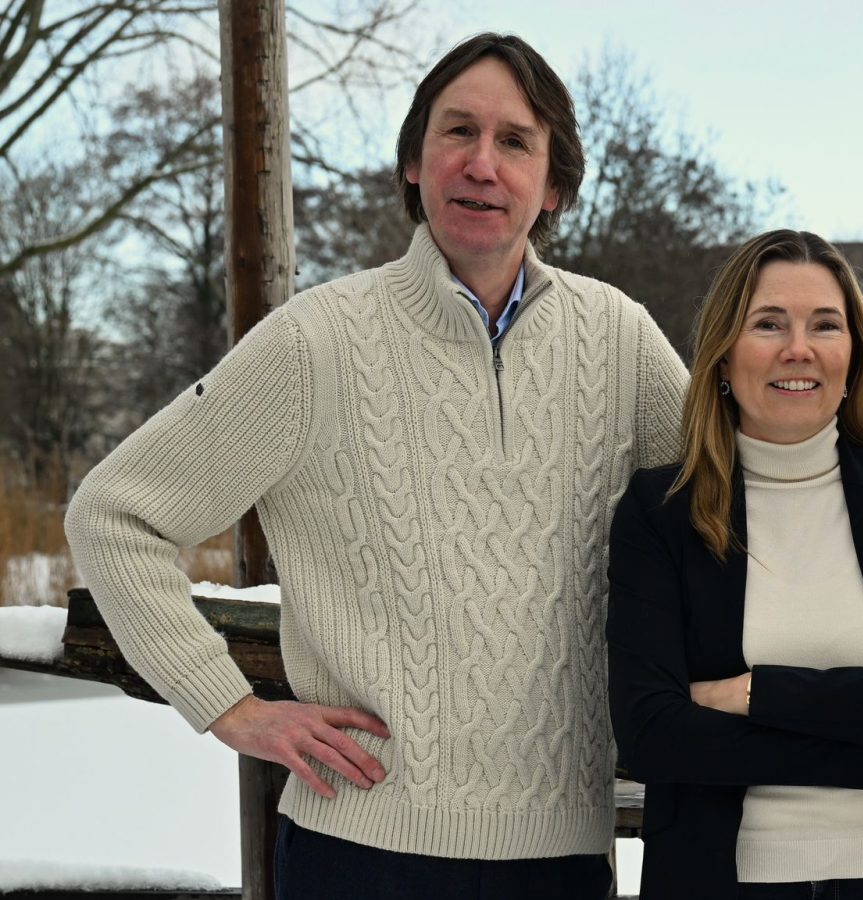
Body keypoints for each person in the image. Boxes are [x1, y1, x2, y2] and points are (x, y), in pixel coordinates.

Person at [65, 33, 689, 898]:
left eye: (515, 141)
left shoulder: (618, 339)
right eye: (456, 132)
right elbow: (113, 515)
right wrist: (229, 707)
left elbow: (746, 493)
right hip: (359, 852)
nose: (481, 163)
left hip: (562, 858)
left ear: (554, 187)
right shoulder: (313, 342)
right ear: (412, 164)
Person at [607, 230, 863, 900]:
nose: (800, 348)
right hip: (725, 883)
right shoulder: (660, 511)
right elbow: (653, 735)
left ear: (852, 355)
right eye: (769, 324)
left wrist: (751, 694)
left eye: (825, 325)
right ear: (725, 358)